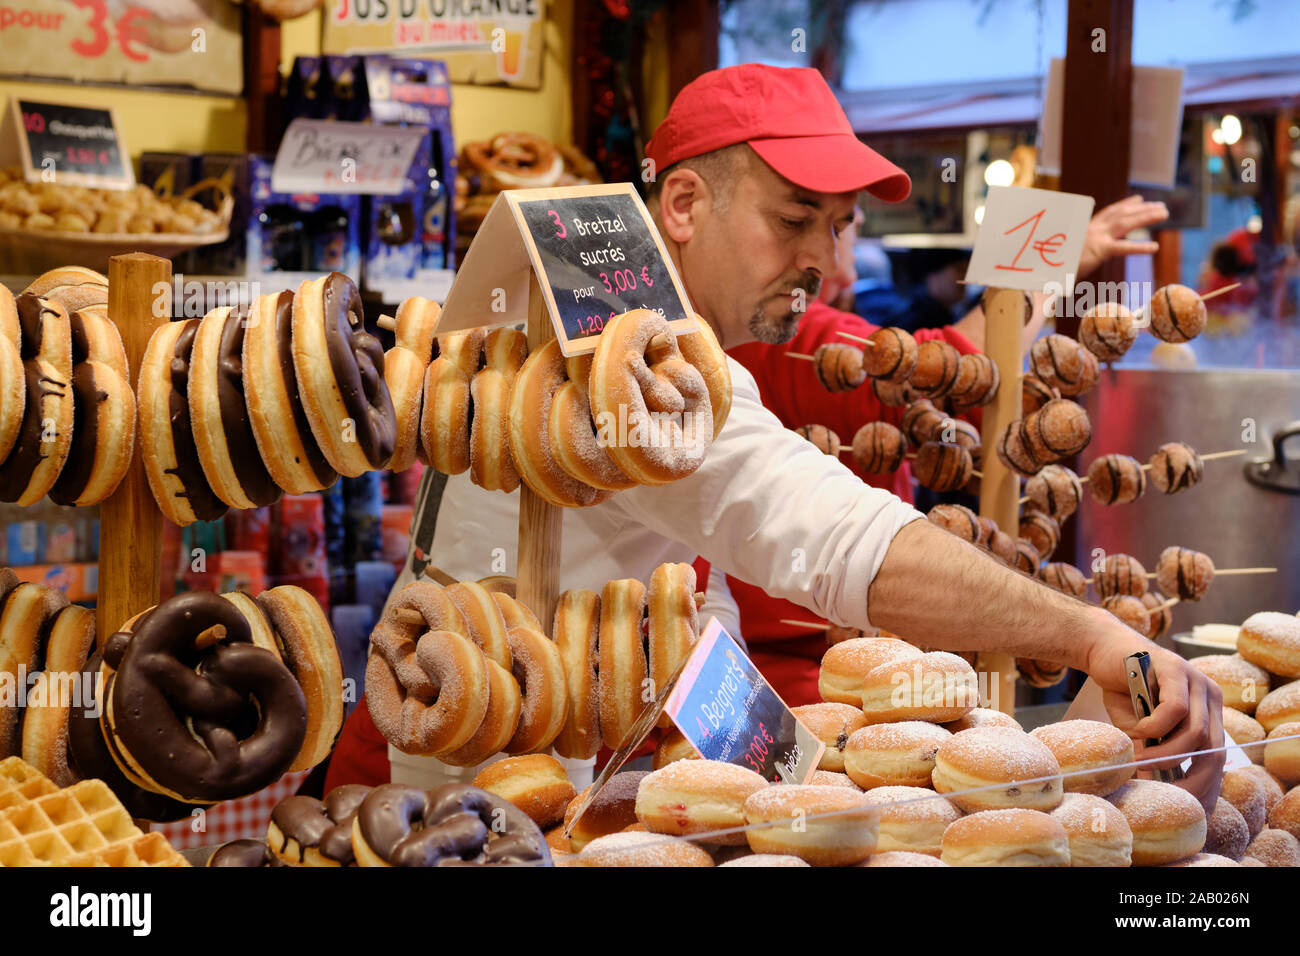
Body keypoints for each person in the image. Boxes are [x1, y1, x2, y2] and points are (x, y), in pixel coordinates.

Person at [326, 63, 1223, 812]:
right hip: (438, 796)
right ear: (684, 204)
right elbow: (840, 540)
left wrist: (789, 779)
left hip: (535, 779)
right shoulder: (623, 367)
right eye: (795, 220)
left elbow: (698, 601)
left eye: (838, 226)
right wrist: (1093, 636)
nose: (826, 262)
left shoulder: (650, 337)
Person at [722, 197, 1171, 705]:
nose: (852, 227)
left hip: (842, 644)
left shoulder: (782, 319)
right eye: (834, 218)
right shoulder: (782, 326)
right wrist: (1051, 268)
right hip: (813, 672)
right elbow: (942, 377)